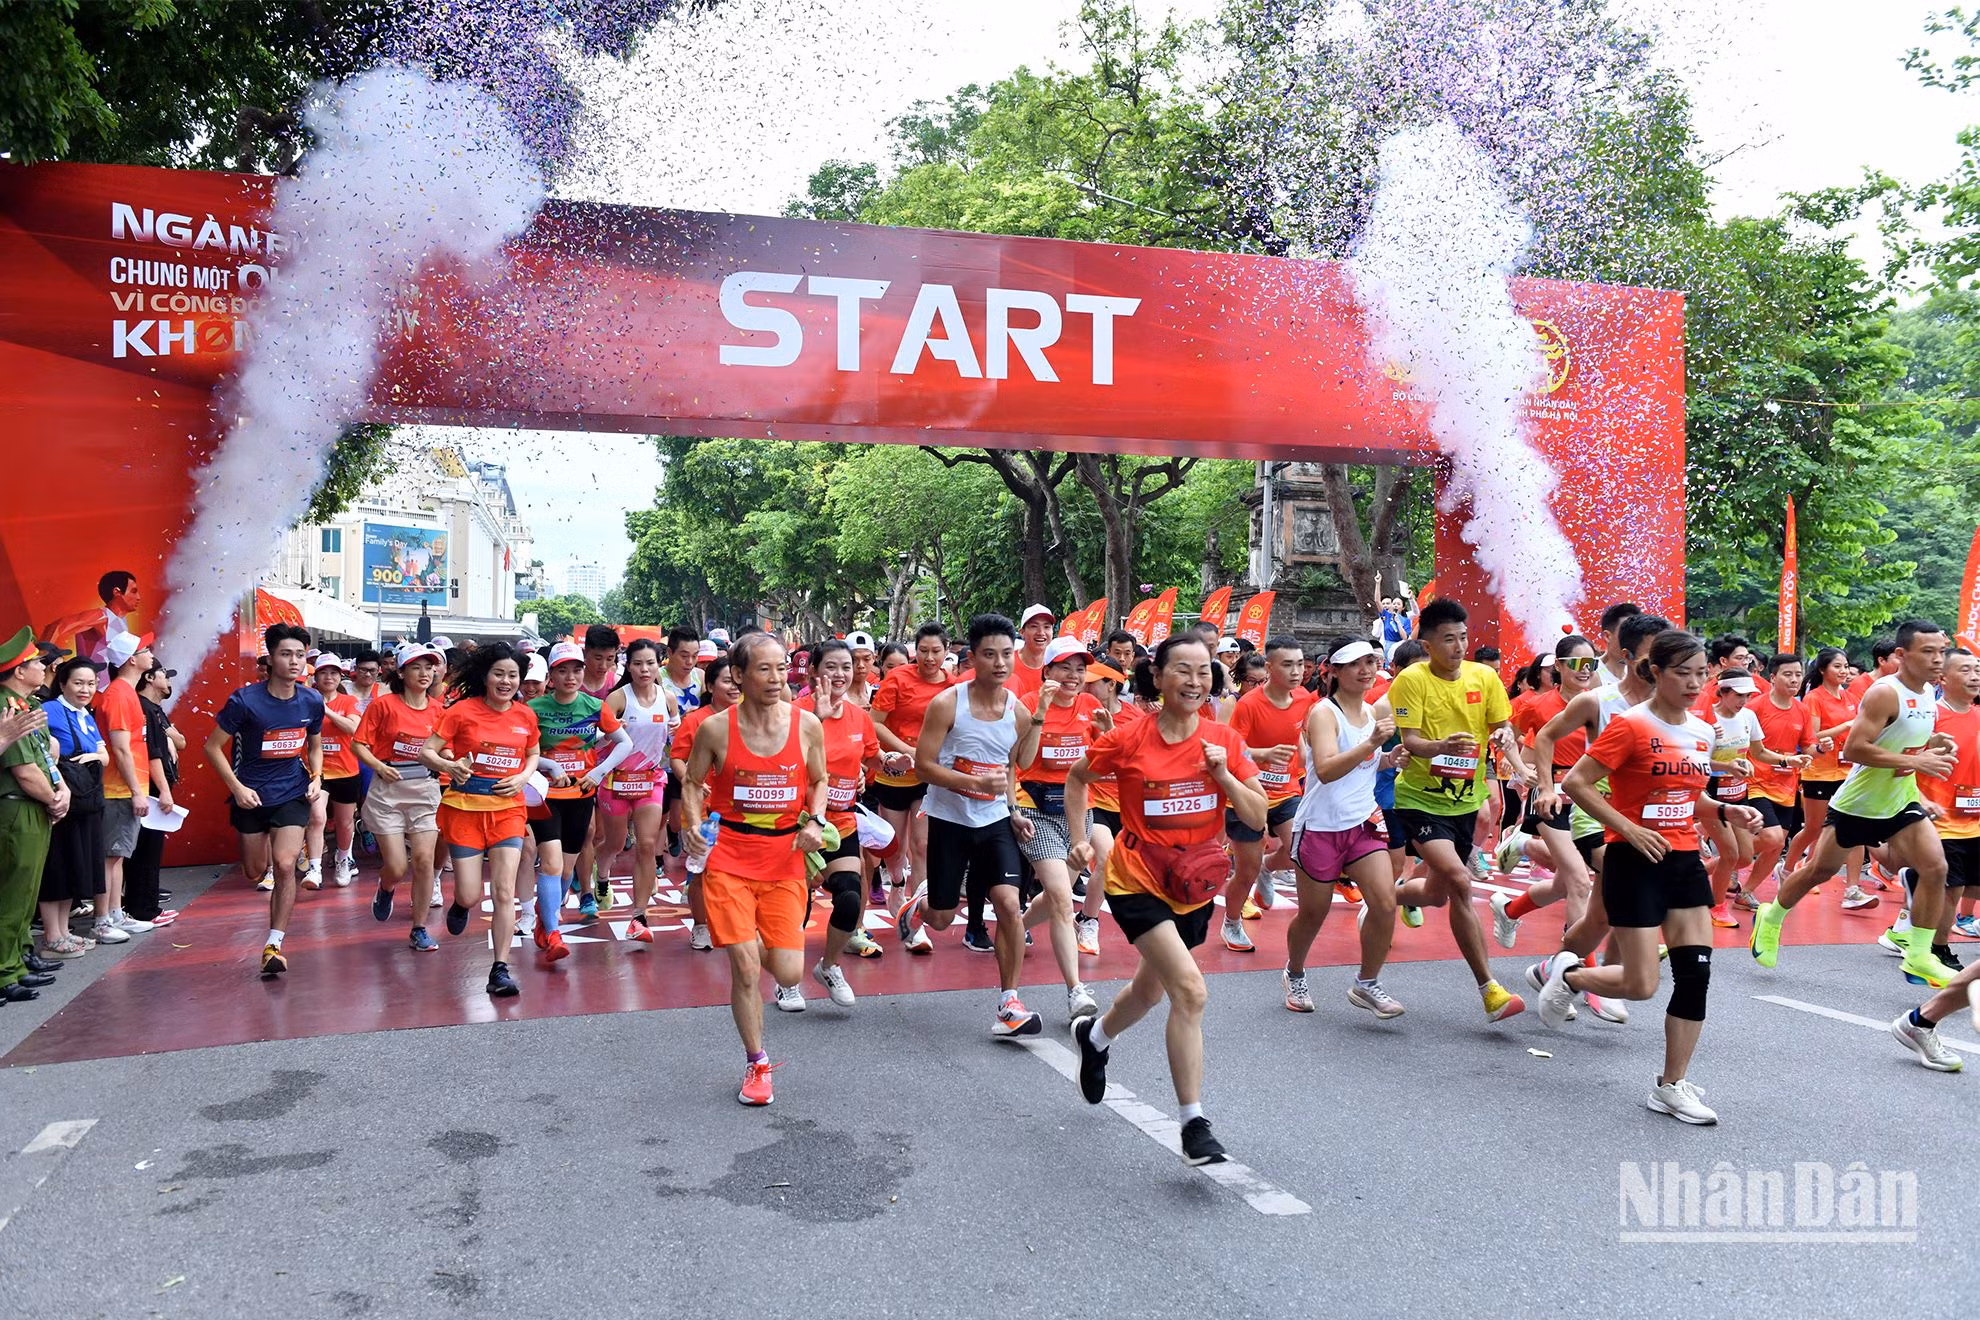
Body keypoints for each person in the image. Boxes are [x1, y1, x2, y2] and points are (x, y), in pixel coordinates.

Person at [1538, 629, 1756, 1125]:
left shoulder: (1703, 732)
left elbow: (1687, 793)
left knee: (1695, 975)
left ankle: (1671, 1086)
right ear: (1654, 672)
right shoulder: (1631, 725)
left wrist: (1724, 810)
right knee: (1640, 985)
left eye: (1703, 673)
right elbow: (1578, 782)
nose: (1695, 683)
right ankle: (1568, 974)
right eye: (1684, 673)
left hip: (1681, 860)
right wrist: (1628, 828)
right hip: (1632, 859)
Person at [1065, 634, 1266, 1166]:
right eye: (1183, 670)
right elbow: (1077, 776)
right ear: (1158, 677)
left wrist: (1222, 773)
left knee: (1150, 992)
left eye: (1204, 672)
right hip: (1136, 880)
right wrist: (1078, 834)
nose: (1196, 681)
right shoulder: (1129, 740)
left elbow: (1256, 817)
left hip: (1195, 884)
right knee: (1191, 993)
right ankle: (1194, 1124)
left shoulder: (1224, 740)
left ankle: (1096, 1038)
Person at [1753, 620, 1961, 988]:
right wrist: (1918, 761)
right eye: (1927, 651)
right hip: (1859, 803)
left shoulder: (1929, 691)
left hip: (1900, 801)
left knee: (1936, 868)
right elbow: (1855, 748)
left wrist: (1935, 744)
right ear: (1901, 655)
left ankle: (1918, 955)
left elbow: (1901, 741)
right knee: (1819, 870)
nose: (1937, 659)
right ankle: (1770, 919)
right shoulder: (1885, 692)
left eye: (1941, 651)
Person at [681, 632, 828, 1106]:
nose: (776, 677)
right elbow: (691, 782)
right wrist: (695, 825)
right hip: (728, 858)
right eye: (763, 669)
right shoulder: (715, 730)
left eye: (782, 668)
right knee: (745, 966)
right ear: (739, 676)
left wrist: (817, 820)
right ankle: (757, 1061)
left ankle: (753, 938)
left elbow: (821, 779)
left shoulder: (807, 726)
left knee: (787, 973)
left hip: (784, 860)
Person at [897, 613, 1045, 1033]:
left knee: (1010, 907)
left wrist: (1013, 810)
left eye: (1006, 654)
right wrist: (971, 781)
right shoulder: (948, 704)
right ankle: (918, 907)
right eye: (989, 655)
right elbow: (923, 767)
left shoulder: (1016, 711)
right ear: (971, 659)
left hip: (995, 820)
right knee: (943, 918)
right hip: (949, 819)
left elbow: (1015, 767)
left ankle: (1008, 1003)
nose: (1000, 663)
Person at [1387, 599, 1530, 1022]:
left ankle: (1385, 896)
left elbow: (1500, 726)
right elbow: (1410, 741)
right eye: (1448, 639)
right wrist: (1441, 747)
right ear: (1427, 644)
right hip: (1418, 799)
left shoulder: (1484, 677)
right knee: (1460, 882)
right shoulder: (1410, 681)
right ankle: (1490, 989)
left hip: (1465, 801)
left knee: (1435, 893)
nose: (1459, 646)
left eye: (1463, 637)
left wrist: (1507, 742)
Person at [1283, 638, 1407, 1017]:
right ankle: (1295, 971)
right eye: (1355, 664)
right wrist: (1372, 744)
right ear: (1334, 671)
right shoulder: (1324, 713)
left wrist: (1389, 759)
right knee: (1313, 913)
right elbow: (1327, 769)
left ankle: (1366, 982)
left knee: (1385, 903)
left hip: (1363, 822)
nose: (1366, 670)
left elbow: (1367, 765)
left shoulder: (1371, 712)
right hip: (1320, 826)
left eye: (1371, 661)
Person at [203, 624, 324, 979]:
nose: (294, 662)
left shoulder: (311, 700)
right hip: (251, 797)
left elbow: (314, 745)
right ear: (270, 658)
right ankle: (262, 865)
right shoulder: (245, 701)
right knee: (256, 870)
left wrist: (317, 778)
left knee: (286, 865)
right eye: (286, 654)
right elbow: (212, 748)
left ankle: (274, 944)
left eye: (300, 655)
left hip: (292, 791)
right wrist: (237, 788)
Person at [425, 643, 540, 996]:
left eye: (513, 676)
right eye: (499, 674)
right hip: (464, 811)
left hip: (508, 811)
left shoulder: (525, 715)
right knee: (472, 893)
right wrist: (449, 766)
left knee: (505, 890)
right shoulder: (461, 711)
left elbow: (533, 753)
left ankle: (500, 969)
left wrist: (523, 777)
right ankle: (461, 904)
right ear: (485, 676)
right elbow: (427, 751)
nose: (506, 681)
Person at [1013, 636, 1106, 1021]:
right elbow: (1022, 759)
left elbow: (1103, 766)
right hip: (1034, 809)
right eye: (1064, 667)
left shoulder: (1091, 706)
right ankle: (1075, 991)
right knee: (1063, 901)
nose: (1073, 675)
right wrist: (1040, 710)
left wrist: (1109, 729)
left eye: (1080, 668)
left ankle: (1014, 928)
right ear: (1047, 671)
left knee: (1057, 898)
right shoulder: (1026, 706)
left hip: (1076, 813)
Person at [1491, 635, 1600, 945]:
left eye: (1590, 664)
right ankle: (1576, 965)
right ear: (1560, 666)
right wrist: (1523, 770)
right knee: (1580, 882)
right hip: (1550, 797)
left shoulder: (1600, 702)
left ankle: (1510, 909)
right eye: (1578, 664)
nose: (1584, 670)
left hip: (1591, 798)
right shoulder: (1536, 705)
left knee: (1563, 885)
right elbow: (1504, 737)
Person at [796, 638, 885, 1006]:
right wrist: (816, 717)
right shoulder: (794, 711)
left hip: (842, 823)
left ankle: (829, 966)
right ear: (814, 671)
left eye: (846, 667)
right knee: (793, 911)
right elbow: (781, 758)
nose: (839, 674)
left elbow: (871, 758)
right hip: (798, 824)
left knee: (850, 896)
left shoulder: (859, 717)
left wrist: (882, 764)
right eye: (830, 667)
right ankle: (786, 980)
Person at [528, 640, 632, 954]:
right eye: (562, 670)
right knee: (551, 864)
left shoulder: (593, 706)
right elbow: (524, 751)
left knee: (566, 869)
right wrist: (549, 764)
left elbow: (624, 743)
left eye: (576, 670)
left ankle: (545, 915)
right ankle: (554, 932)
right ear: (551, 676)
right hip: (545, 795)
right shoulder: (533, 710)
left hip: (581, 794)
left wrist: (598, 773)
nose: (570, 677)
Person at [1220, 637, 1313, 950]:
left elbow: (1299, 737)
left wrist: (1307, 766)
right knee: (1244, 872)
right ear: (1270, 668)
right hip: (1248, 795)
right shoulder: (1248, 704)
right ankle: (1232, 922)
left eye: (1300, 664)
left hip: (1286, 792)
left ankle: (1267, 868)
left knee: (1301, 850)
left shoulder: (1303, 699)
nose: (1297, 671)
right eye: (1288, 664)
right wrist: (1264, 754)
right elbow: (1233, 749)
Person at [356, 642, 446, 951]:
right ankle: (386, 886)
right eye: (417, 667)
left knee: (423, 860)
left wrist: (452, 762)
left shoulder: (438, 710)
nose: (425, 673)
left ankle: (418, 928)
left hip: (424, 789)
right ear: (402, 671)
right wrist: (379, 766)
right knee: (397, 866)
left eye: (429, 667)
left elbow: (444, 748)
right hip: (388, 791)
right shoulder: (383, 706)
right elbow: (359, 745)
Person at [870, 623, 953, 945]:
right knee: (894, 846)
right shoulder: (898, 679)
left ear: (947, 652)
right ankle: (895, 880)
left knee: (922, 847)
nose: (929, 658)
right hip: (894, 773)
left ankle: (915, 919)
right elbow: (875, 723)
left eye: (936, 651)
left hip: (929, 777)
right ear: (914, 651)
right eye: (923, 651)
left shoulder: (953, 686)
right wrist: (905, 751)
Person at [598, 639, 679, 947]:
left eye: (650, 663)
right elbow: (598, 742)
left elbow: (672, 739)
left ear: (660, 664)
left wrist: (675, 731)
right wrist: (608, 732)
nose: (644, 670)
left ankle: (639, 915)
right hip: (616, 782)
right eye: (637, 664)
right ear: (627, 666)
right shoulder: (618, 698)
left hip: (650, 780)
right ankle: (602, 873)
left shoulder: (668, 698)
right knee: (616, 843)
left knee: (646, 845)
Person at [1904, 648, 1980, 971]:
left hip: (1975, 819)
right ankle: (1938, 950)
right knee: (1953, 888)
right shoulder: (1930, 716)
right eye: (1965, 670)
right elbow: (1905, 763)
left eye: (1977, 669)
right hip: (1940, 819)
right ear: (1943, 678)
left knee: (1972, 887)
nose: (1974, 676)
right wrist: (1920, 800)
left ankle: (1914, 879)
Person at [0, 629, 65, 1000]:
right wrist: (54, 798)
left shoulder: (26, 705)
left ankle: (19, 958)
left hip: (33, 804)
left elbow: (42, 760)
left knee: (26, 891)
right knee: (13, 891)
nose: (44, 667)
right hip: (17, 805)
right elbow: (24, 770)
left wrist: (60, 790)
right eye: (37, 662)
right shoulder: (7, 706)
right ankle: (6, 969)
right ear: (19, 671)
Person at [1698, 669, 1792, 925]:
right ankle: (1717, 908)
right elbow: (1698, 762)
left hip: (1739, 794)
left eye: (1748, 695)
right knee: (1729, 854)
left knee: (1743, 856)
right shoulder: (1707, 720)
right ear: (1723, 692)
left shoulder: (1748, 716)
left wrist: (1787, 759)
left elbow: (1759, 752)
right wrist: (1727, 767)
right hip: (1711, 796)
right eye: (1738, 695)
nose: (1743, 700)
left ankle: (1692, 877)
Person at [93, 630, 164, 943]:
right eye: (145, 649)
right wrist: (136, 790)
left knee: (118, 856)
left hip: (126, 788)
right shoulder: (120, 695)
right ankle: (102, 920)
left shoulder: (125, 693)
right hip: (117, 790)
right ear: (132, 660)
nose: (151, 653)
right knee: (110, 856)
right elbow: (120, 749)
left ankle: (116, 914)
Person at [1788, 647, 1872, 908]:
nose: (1843, 671)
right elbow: (1812, 736)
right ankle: (1788, 870)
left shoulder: (1849, 697)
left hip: (1848, 771)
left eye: (1846, 666)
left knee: (1855, 828)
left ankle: (1853, 890)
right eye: (1837, 666)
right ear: (1823, 670)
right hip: (1819, 772)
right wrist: (1846, 727)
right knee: (1813, 829)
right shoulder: (1814, 698)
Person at [672, 654, 741, 950]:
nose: (735, 687)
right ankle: (700, 926)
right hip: (700, 809)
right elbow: (677, 757)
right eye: (727, 681)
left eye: (738, 681)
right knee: (702, 867)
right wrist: (693, 782)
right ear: (710, 685)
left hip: (740, 808)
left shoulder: (750, 717)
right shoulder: (696, 720)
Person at [37, 657, 103, 961]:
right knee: (57, 867)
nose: (85, 689)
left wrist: (95, 757)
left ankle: (64, 931)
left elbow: (103, 754)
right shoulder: (48, 710)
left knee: (76, 866)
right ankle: (52, 935)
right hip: (60, 802)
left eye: (90, 683)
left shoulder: (85, 714)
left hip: (84, 802)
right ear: (62, 683)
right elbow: (45, 750)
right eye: (78, 682)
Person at [1074, 659, 1139, 956]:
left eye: (1092, 681)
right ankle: (1089, 920)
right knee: (1106, 856)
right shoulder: (1080, 713)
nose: (1084, 685)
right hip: (1091, 801)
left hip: (1125, 808)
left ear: (1111, 684)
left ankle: (1023, 922)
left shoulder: (1136, 718)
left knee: (1062, 884)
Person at [1744, 653, 1815, 908]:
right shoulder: (1755, 708)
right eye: (1788, 674)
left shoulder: (1802, 709)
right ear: (1772, 678)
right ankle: (1729, 858)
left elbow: (1808, 747)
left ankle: (1745, 892)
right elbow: (1749, 749)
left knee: (1776, 845)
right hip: (1756, 782)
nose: (1794, 679)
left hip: (1787, 787)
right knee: (1772, 838)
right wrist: (1786, 760)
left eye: (1798, 674)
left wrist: (1819, 749)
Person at [126, 661, 182, 926]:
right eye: (164, 674)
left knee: (151, 847)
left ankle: (148, 905)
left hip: (153, 786)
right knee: (145, 849)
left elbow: (178, 742)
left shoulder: (155, 709)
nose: (168, 680)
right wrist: (163, 791)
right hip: (147, 787)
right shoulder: (141, 708)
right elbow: (152, 755)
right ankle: (143, 909)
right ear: (149, 677)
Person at [304, 655, 363, 889]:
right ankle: (315, 868)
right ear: (315, 677)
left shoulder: (349, 702)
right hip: (317, 772)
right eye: (323, 673)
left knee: (345, 823)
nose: (329, 677)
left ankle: (342, 859)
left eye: (333, 673)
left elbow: (353, 728)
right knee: (317, 817)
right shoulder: (306, 700)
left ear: (341, 676)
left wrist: (326, 710)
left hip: (347, 771)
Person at [1008, 605, 1056, 702]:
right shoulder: (1006, 663)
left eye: (1047, 627)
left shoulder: (1058, 665)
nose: (1041, 632)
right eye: (1034, 626)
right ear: (1022, 632)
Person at [1592, 602, 1641, 689]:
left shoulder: (1640, 675)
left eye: (1637, 633)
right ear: (1607, 636)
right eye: (1627, 633)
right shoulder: (1588, 672)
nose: (1633, 639)